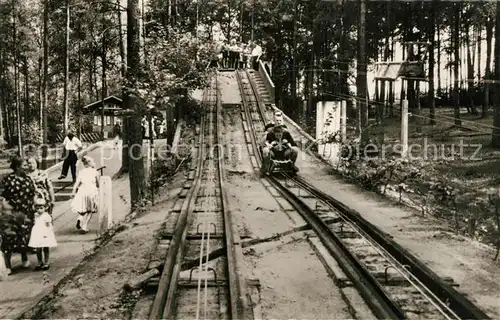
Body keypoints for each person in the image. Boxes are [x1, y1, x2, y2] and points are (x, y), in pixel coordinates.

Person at [1, 156, 37, 273]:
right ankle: (7, 266)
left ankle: (24, 258)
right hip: (11, 214)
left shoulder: (28, 179)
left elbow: (33, 193)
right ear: (17, 167)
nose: (26, 167)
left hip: (26, 213)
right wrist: (6, 210)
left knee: (23, 237)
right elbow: (2, 196)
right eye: (24, 165)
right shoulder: (8, 179)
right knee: (9, 239)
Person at [70, 156, 99, 233]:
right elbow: (98, 183)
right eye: (93, 162)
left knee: (83, 209)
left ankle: (80, 218)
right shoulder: (95, 172)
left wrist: (73, 191)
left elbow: (77, 183)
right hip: (91, 191)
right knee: (90, 210)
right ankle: (84, 226)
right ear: (90, 163)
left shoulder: (81, 172)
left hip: (82, 191)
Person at [28, 197, 57, 271]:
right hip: (37, 233)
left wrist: (47, 234)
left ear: (45, 208)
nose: (39, 210)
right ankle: (39, 262)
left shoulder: (46, 216)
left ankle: (46, 262)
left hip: (44, 233)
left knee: (45, 248)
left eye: (41, 208)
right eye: (37, 208)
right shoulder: (35, 215)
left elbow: (48, 226)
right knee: (38, 249)